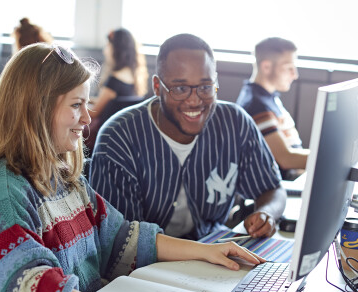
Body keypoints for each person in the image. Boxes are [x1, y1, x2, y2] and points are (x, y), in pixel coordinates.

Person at [0, 43, 265, 292]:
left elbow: (119, 237)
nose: (87, 118)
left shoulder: (66, 179)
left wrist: (206, 250)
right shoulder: (7, 195)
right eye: (76, 105)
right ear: (37, 109)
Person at [90, 33, 287, 241]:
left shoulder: (235, 122)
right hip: (144, 266)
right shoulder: (120, 137)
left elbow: (272, 189)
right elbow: (119, 241)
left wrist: (267, 214)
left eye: (205, 87)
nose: (194, 101)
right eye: (180, 89)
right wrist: (202, 254)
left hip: (213, 251)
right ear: (158, 87)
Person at [236, 37, 309, 180]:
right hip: (279, 185)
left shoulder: (268, 98)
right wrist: (331, 159)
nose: (295, 75)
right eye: (289, 68)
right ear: (266, 67)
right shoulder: (257, 106)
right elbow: (286, 158)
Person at [84, 28, 148, 154]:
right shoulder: (133, 77)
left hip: (100, 133)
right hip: (122, 134)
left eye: (108, 45)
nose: (105, 50)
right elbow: (108, 103)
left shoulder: (114, 81)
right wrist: (85, 100)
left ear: (116, 49)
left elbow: (93, 113)